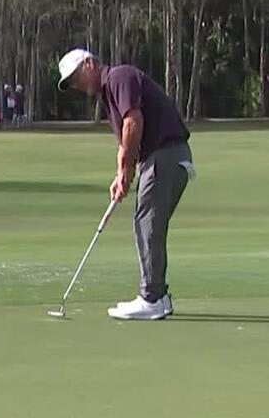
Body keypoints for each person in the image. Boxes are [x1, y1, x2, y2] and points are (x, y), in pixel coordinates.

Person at [57, 48, 193, 321]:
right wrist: (122, 174)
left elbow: (133, 122)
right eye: (71, 83)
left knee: (147, 222)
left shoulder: (119, 77)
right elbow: (126, 142)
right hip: (165, 158)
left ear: (90, 63)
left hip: (165, 155)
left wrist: (125, 168)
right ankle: (160, 298)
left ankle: (152, 297)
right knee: (149, 223)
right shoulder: (109, 95)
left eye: (76, 77)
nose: (77, 86)